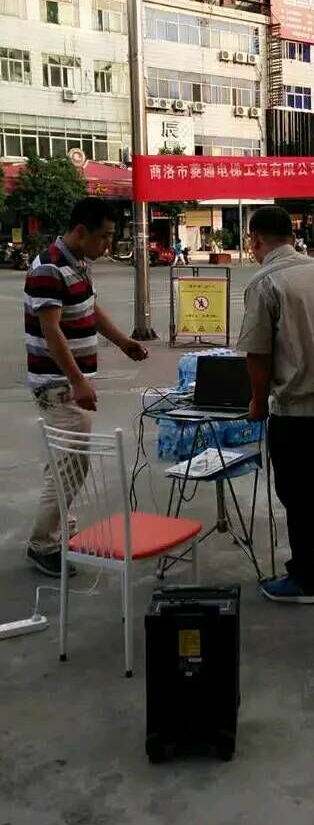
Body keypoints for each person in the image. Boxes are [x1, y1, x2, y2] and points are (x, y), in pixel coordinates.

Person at [236, 205, 314, 604]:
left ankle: (306, 578)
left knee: (300, 495)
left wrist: (258, 402)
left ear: (255, 240)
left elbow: (257, 353)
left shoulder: (264, 283)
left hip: (298, 409)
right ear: (291, 238)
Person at [25, 197, 148, 577]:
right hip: (59, 385)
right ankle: (43, 544)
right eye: (104, 236)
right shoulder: (49, 268)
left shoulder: (78, 262)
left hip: (69, 384)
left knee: (65, 465)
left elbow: (90, 310)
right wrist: (77, 380)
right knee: (70, 468)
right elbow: (51, 331)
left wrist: (122, 342)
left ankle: (59, 530)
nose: (108, 245)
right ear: (81, 231)